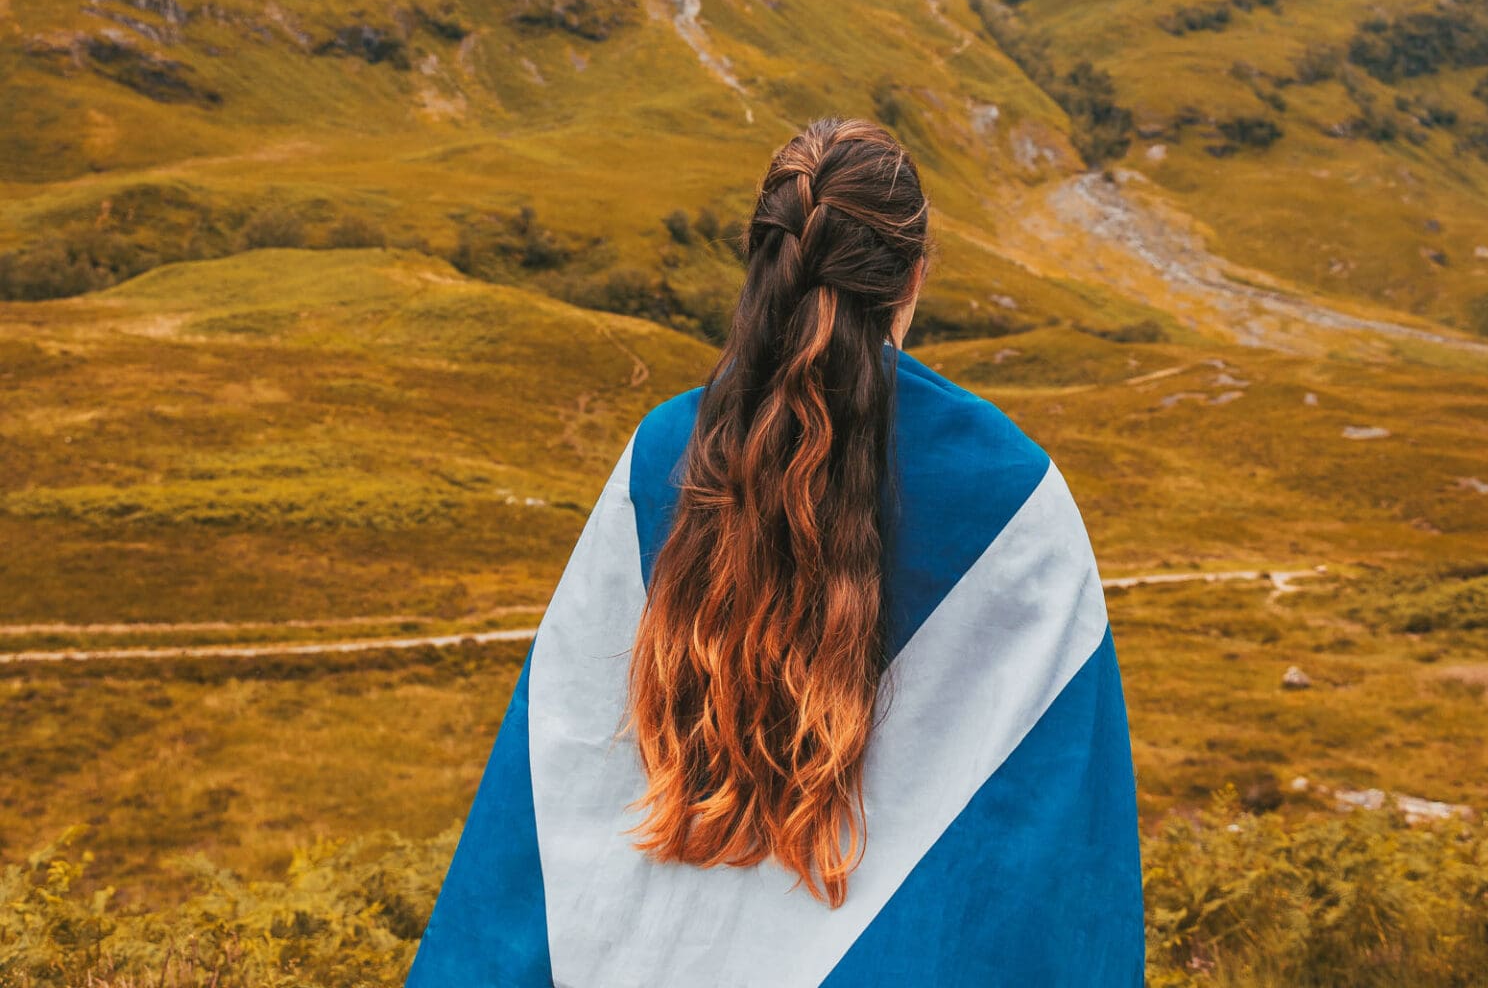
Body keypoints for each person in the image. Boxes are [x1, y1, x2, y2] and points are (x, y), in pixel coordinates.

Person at [406, 117, 1143, 986]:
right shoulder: (1012, 491)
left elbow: (561, 759)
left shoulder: (662, 452)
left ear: (764, 255)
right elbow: (1048, 822)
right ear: (912, 274)